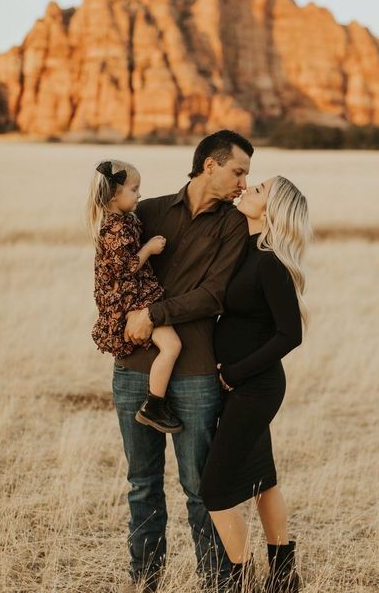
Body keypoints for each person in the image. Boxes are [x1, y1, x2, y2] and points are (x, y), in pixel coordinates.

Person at [113, 131, 253, 592]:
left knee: (200, 488)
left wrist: (152, 313)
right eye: (238, 171)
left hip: (194, 369)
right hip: (134, 365)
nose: (243, 181)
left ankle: (216, 582)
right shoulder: (148, 209)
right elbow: (114, 267)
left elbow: (213, 294)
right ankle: (145, 581)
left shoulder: (231, 226)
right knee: (142, 484)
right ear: (209, 165)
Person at [200, 175, 311, 593]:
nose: (248, 189)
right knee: (262, 476)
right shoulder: (246, 249)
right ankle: (284, 576)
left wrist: (233, 372)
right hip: (242, 384)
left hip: (255, 388)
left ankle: (240, 579)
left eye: (259, 189)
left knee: (213, 488)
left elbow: (290, 335)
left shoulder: (269, 262)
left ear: (271, 209)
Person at [87, 159, 183, 433]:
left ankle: (155, 400)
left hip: (134, 296)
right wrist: (150, 248)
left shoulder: (122, 220)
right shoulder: (116, 228)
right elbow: (126, 267)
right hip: (131, 299)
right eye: (135, 189)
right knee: (172, 346)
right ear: (115, 194)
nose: (140, 194)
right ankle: (155, 404)